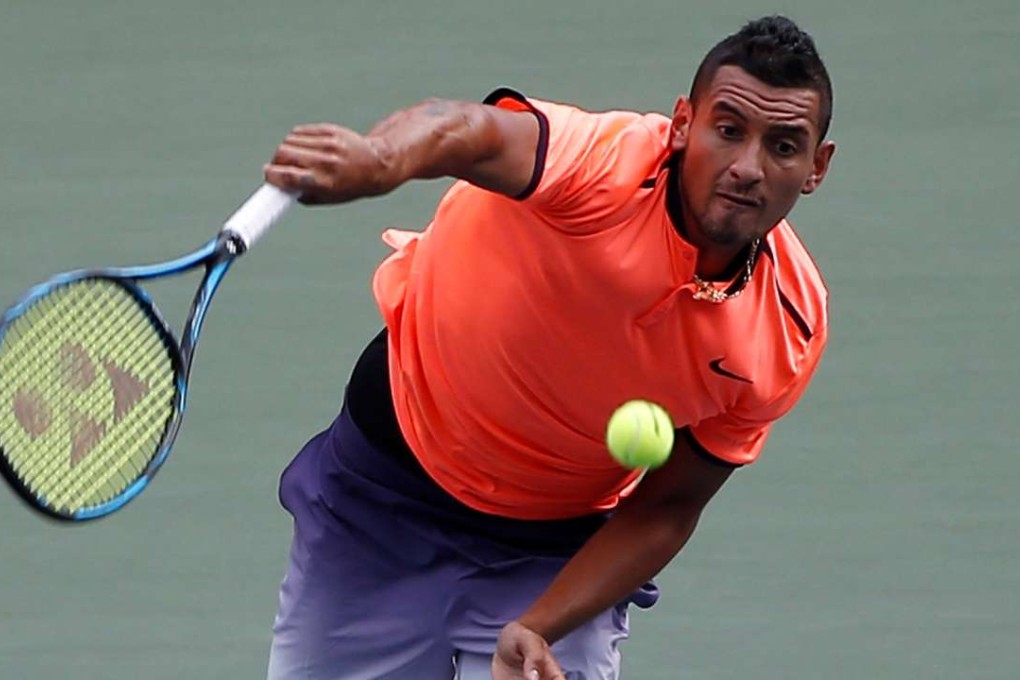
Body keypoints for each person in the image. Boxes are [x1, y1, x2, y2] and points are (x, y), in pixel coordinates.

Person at [263, 14, 836, 680]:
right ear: (683, 125)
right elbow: (469, 130)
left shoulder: (786, 327)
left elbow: (668, 506)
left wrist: (539, 625)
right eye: (728, 130)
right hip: (381, 501)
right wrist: (380, 159)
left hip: (555, 552)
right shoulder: (606, 165)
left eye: (783, 146)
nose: (747, 167)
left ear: (816, 167)